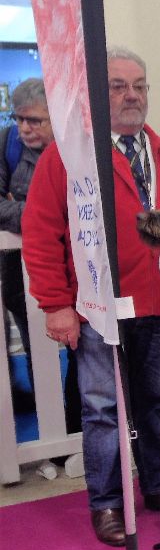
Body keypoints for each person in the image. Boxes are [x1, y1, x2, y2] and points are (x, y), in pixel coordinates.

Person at [21, 48, 160, 546]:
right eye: (119, 86)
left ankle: (157, 487)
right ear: (94, 96)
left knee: (159, 404)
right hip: (98, 309)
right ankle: (106, 503)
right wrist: (56, 304)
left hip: (157, 303)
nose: (132, 96)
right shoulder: (68, 154)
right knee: (103, 408)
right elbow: (41, 233)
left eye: (140, 85)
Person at [1, 79, 55, 413]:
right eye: (19, 119)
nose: (24, 127)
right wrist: (36, 211)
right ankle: (45, 413)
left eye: (34, 120)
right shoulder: (7, 145)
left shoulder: (73, 148)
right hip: (17, 271)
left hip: (70, 268)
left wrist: (19, 203)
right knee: (36, 343)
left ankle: (77, 423)